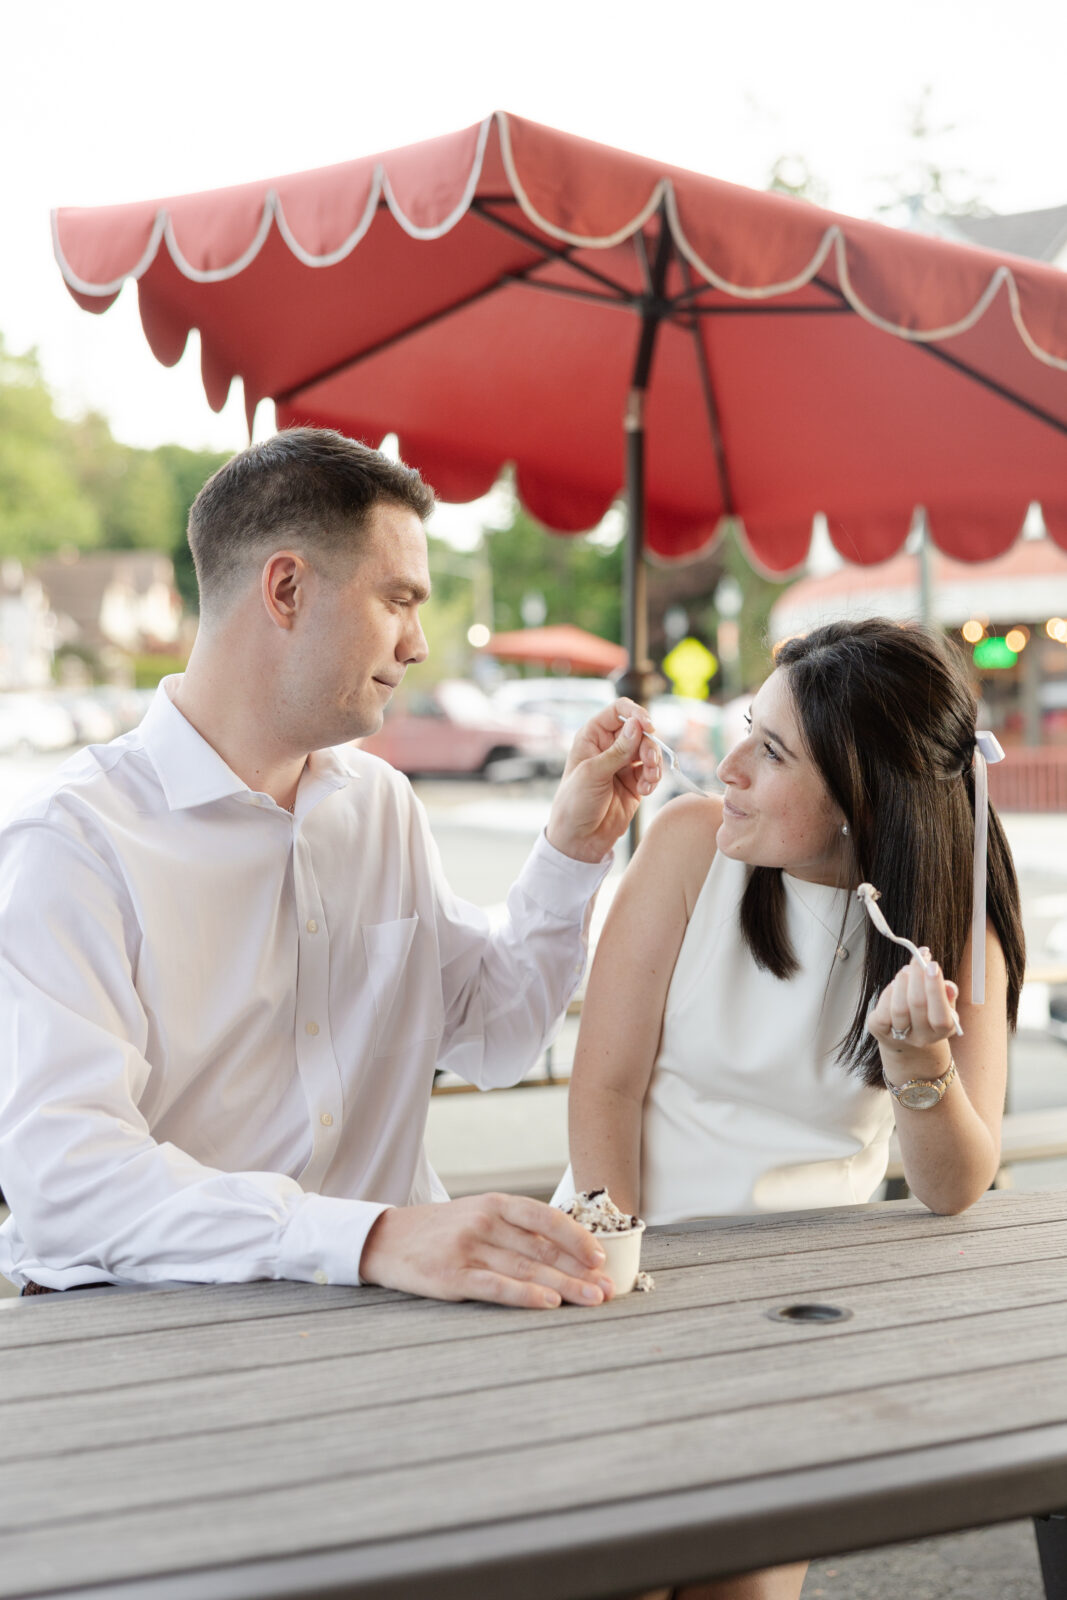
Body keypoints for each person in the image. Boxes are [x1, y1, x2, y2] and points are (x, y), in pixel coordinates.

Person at [0, 427, 663, 1310]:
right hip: (160, 1349)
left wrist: (572, 850)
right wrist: (374, 1235)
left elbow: (498, 1034)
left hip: (397, 1328)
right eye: (399, 599)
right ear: (286, 590)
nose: (419, 643)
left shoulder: (380, 806)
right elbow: (68, 1184)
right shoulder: (72, 843)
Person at [560, 618, 1025, 1600]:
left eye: (769, 752)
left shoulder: (954, 930)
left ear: (863, 799)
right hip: (623, 1266)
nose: (725, 767)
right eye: (744, 731)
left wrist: (915, 1059)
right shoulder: (690, 846)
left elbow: (954, 1186)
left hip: (796, 1314)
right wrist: (616, 1266)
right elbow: (601, 1084)